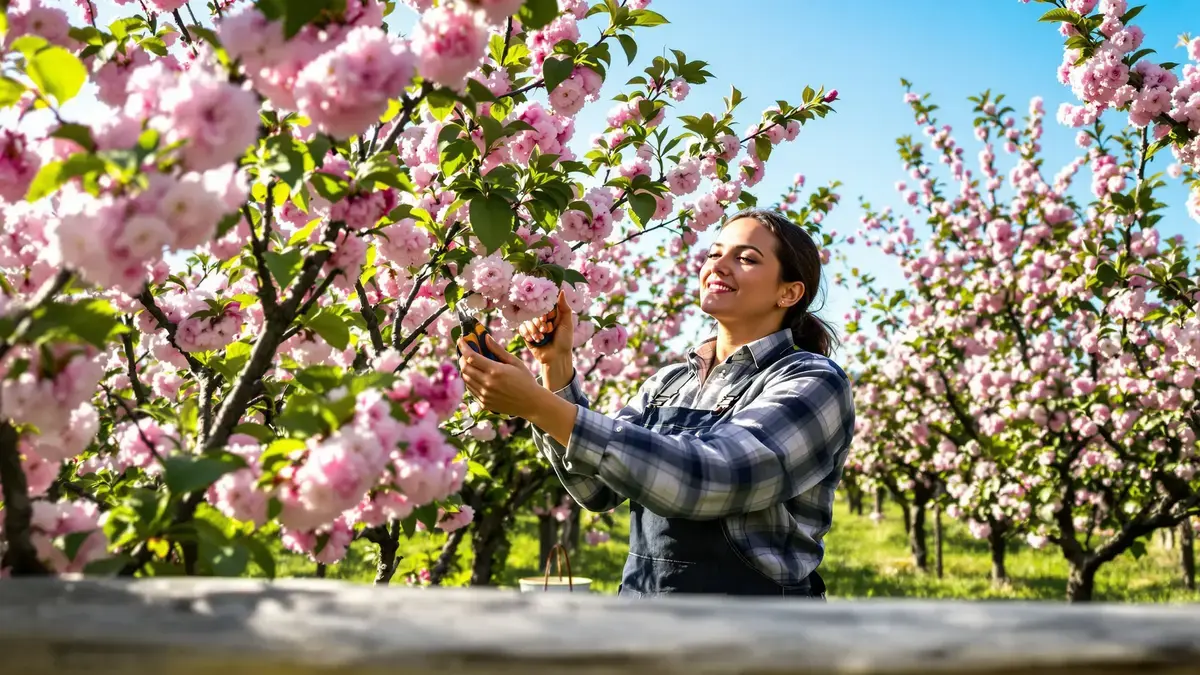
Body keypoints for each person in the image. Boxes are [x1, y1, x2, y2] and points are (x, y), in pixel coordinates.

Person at [456, 209, 856, 599]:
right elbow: (595, 489)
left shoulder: (812, 380)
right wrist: (555, 368)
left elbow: (714, 479)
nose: (718, 265)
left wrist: (539, 406)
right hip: (646, 611)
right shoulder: (668, 382)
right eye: (714, 253)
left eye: (746, 258)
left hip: (751, 625)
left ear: (789, 292)